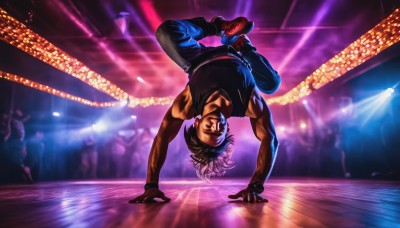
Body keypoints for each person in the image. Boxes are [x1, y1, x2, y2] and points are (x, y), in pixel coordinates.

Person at [129, 16, 280, 203]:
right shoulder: (248, 104)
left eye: (208, 129)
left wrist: (151, 185)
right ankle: (242, 44)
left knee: (166, 32)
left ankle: (218, 26)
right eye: (219, 131)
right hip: (239, 56)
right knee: (272, 83)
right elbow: (270, 139)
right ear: (227, 130)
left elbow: (162, 138)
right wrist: (255, 186)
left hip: (199, 59)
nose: (216, 125)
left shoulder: (187, 105)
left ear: (197, 122)